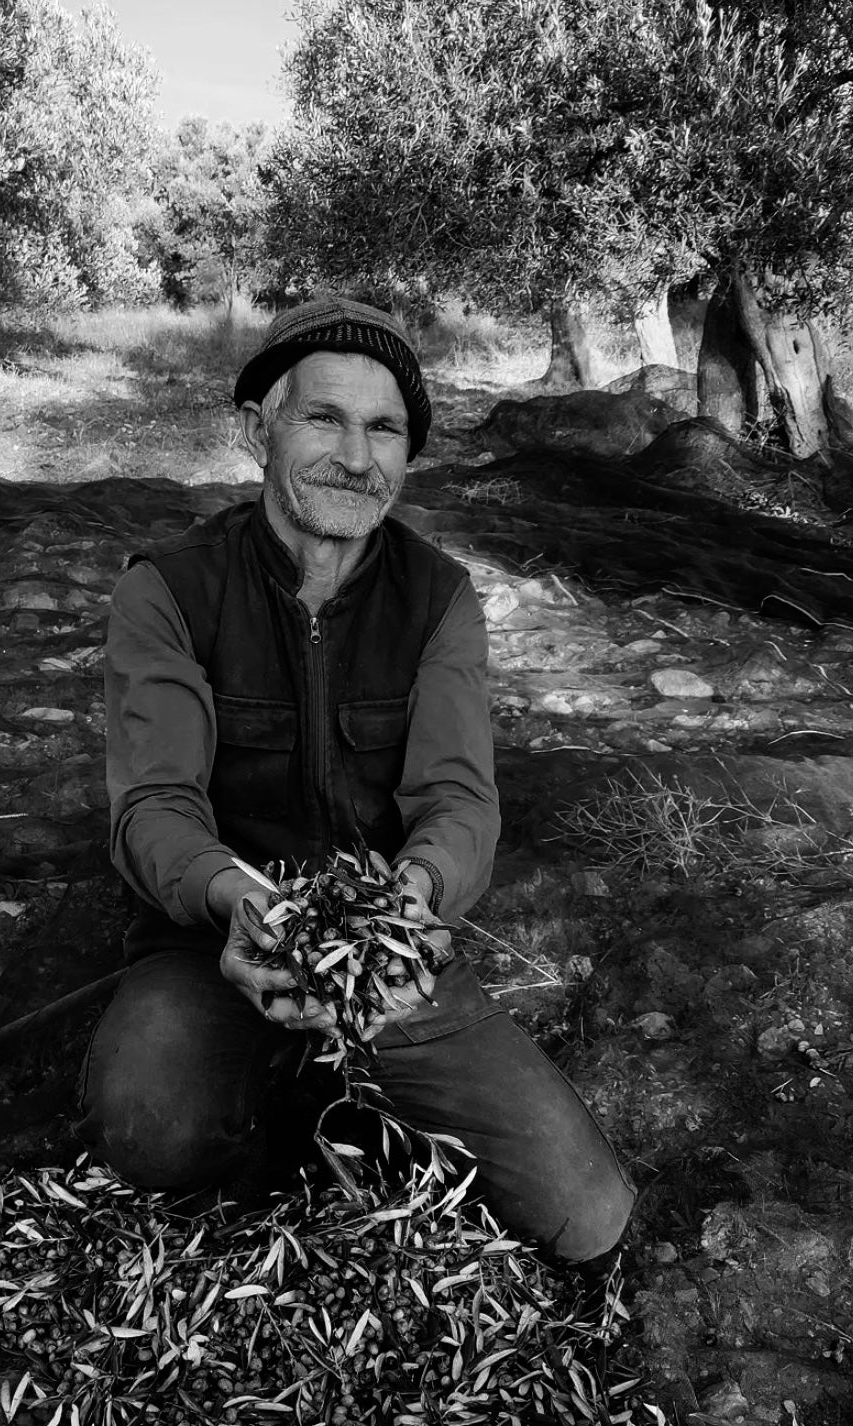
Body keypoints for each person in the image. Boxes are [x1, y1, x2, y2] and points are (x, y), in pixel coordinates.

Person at [77, 298, 635, 1269]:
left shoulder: (441, 601)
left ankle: (345, 1083)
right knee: (141, 1129)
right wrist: (242, 908)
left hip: (389, 951)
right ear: (259, 431)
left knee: (588, 1218)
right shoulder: (164, 591)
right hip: (216, 942)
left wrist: (413, 901)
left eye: (383, 429)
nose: (355, 455)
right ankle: (270, 1101)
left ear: (407, 457)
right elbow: (153, 809)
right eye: (323, 418)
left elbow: (458, 802)